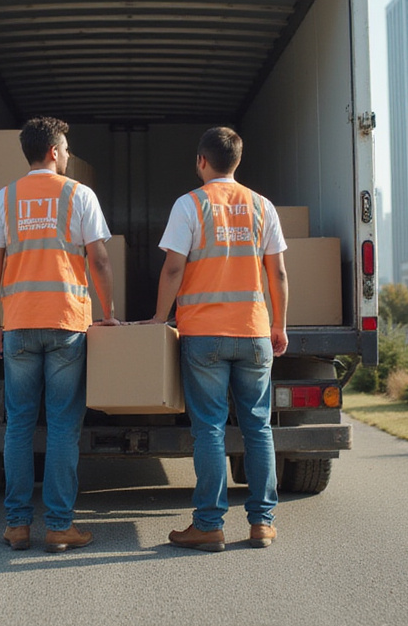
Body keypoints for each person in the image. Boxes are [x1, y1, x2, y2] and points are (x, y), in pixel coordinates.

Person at [0, 116, 120, 553]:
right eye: (66, 150)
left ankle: (18, 526)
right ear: (55, 153)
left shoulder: (4, 199)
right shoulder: (80, 195)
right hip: (66, 325)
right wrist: (109, 313)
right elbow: (98, 260)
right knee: (62, 427)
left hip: (19, 323)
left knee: (19, 426)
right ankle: (60, 527)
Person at [148, 126, 289, 552]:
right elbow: (278, 273)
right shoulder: (262, 206)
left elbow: (173, 269)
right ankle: (262, 523)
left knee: (209, 430)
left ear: (201, 162)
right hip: (253, 331)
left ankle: (209, 525)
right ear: (238, 161)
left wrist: (159, 318)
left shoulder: (189, 205)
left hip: (204, 335)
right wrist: (279, 325)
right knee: (258, 428)